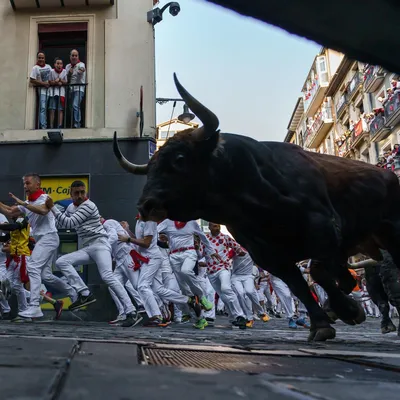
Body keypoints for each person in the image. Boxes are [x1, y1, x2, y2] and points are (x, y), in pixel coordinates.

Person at [44, 181, 138, 327]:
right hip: (88, 247)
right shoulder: (70, 207)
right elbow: (61, 223)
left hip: (101, 245)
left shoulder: (89, 206)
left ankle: (131, 312)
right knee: (61, 262)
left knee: (107, 276)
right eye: (77, 193)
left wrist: (52, 208)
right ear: (71, 194)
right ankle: (85, 294)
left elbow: (69, 223)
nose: (81, 196)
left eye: (83, 192)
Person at [0, 173, 77, 319]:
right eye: (24, 184)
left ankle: (34, 307)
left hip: (49, 237)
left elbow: (43, 210)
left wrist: (23, 204)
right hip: (42, 240)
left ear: (37, 184)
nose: (25, 186)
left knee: (33, 267)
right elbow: (10, 211)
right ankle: (72, 292)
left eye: (28, 183)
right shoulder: (28, 201)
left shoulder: (45, 198)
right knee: (45, 275)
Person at [30, 52, 52, 129]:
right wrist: (43, 83)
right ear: (37, 58)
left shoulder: (49, 67)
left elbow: (52, 77)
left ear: (44, 58)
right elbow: (32, 80)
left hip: (51, 91)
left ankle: (50, 125)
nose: (41, 59)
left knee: (51, 109)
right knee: (43, 108)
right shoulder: (35, 68)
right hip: (42, 91)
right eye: (39, 57)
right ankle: (43, 126)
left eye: (42, 58)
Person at [66, 49, 86, 128]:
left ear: (78, 57)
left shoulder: (81, 64)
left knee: (75, 105)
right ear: (70, 57)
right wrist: (69, 74)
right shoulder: (68, 66)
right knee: (71, 107)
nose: (74, 57)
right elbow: (67, 79)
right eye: (73, 55)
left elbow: (82, 69)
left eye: (76, 55)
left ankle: (77, 124)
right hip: (71, 89)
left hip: (79, 89)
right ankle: (73, 123)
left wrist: (80, 71)